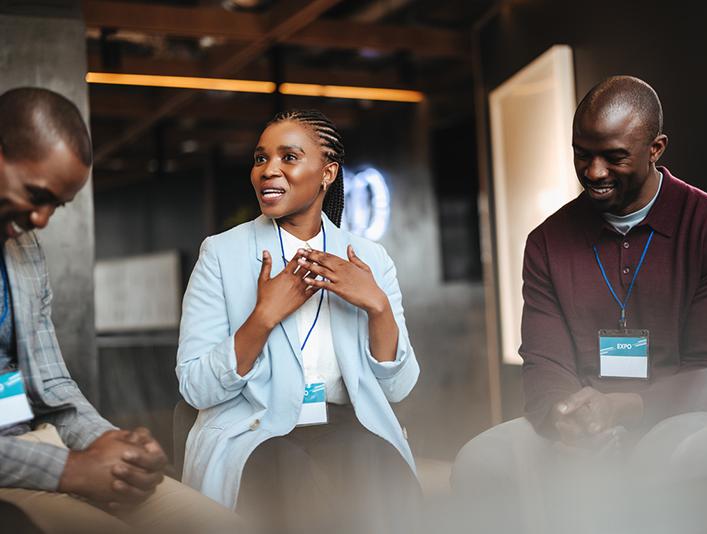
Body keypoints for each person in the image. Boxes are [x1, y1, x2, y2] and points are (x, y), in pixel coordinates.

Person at [451, 76, 707, 531]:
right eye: (581, 153)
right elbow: (544, 360)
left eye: (614, 157)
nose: (593, 172)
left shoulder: (705, 225)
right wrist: (563, 419)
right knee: (481, 461)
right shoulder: (547, 242)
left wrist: (623, 408)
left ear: (656, 148)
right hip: (587, 420)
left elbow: (705, 373)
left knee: (655, 459)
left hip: (687, 416)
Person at [0, 87, 241, 534]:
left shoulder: (25, 250)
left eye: (58, 205)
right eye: (37, 194)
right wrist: (69, 470)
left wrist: (111, 443)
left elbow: (51, 383)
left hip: (42, 443)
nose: (42, 220)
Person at [177, 109, 421, 533]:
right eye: (260, 158)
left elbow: (398, 388)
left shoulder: (369, 259)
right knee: (289, 480)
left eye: (288, 157)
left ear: (327, 173)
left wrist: (377, 306)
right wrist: (263, 316)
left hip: (347, 425)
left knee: (375, 471)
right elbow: (196, 386)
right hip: (257, 430)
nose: (268, 170)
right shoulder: (221, 254)